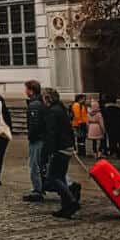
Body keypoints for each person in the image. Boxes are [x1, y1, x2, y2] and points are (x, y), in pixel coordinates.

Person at [42, 88, 79, 219]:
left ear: (47, 98)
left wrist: (48, 152)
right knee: (61, 177)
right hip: (66, 147)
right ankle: (66, 207)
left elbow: (51, 133)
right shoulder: (61, 109)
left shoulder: (52, 112)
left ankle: (71, 200)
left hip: (59, 149)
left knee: (53, 178)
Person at [23, 79, 47, 201]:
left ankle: (37, 190)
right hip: (42, 137)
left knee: (35, 165)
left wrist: (31, 136)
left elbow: (35, 125)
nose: (25, 91)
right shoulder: (40, 102)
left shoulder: (34, 105)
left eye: (26, 89)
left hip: (37, 139)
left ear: (31, 90)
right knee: (41, 164)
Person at [103, 96, 120, 160]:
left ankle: (113, 152)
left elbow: (104, 119)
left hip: (110, 127)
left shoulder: (106, 109)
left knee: (112, 140)